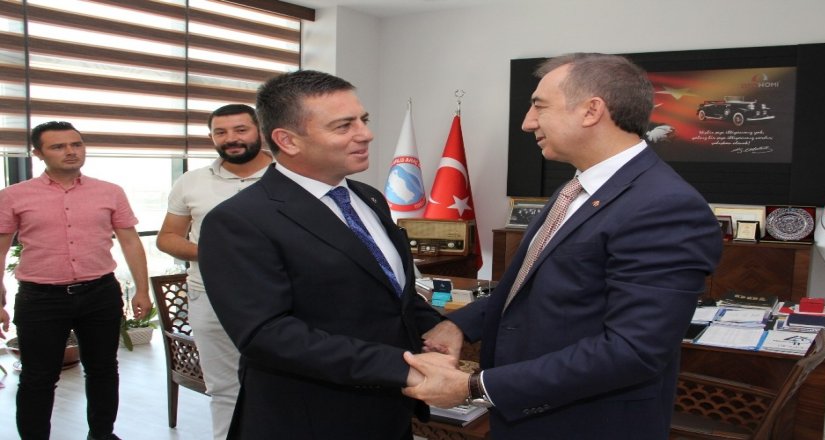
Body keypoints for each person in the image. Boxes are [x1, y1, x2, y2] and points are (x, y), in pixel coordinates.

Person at [403, 53, 723, 439]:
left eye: (540, 106)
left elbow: (633, 350)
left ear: (591, 111)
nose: (527, 122)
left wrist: (477, 387)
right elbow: (528, 287)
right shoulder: (576, 189)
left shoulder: (665, 206)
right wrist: (459, 325)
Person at [197, 70, 447, 439]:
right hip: (310, 418)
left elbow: (389, 291)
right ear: (288, 140)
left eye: (363, 120)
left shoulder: (369, 197)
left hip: (389, 411)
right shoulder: (239, 220)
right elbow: (267, 334)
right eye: (344, 126)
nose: (366, 134)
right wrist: (400, 368)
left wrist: (436, 324)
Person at [0, 121, 151, 440]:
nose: (70, 151)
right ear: (38, 153)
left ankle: (101, 435)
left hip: (100, 293)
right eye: (58, 146)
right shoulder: (13, 196)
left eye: (76, 144)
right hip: (40, 299)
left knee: (103, 370)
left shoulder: (110, 191)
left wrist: (142, 289)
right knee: (38, 378)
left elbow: (130, 241)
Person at [155, 104, 273, 440]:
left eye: (240, 130)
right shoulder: (191, 182)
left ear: (260, 131)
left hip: (281, 297)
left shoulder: (290, 175)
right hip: (209, 297)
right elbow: (167, 238)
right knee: (224, 388)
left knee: (287, 382)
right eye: (220, 132)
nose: (231, 138)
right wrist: (217, 254)